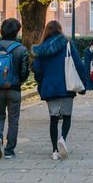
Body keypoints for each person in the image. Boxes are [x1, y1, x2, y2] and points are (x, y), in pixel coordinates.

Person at [33, 20, 87, 161]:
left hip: (50, 87)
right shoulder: (67, 44)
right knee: (67, 116)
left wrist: (41, 82)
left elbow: (37, 68)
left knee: (53, 118)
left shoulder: (42, 48)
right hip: (67, 86)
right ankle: (62, 138)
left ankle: (55, 151)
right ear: (60, 30)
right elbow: (79, 65)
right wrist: (84, 84)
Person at [0, 18, 29, 160]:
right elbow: (24, 72)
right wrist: (18, 81)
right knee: (13, 119)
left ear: (2, 30)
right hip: (14, 89)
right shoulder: (21, 49)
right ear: (16, 31)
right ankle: (9, 150)